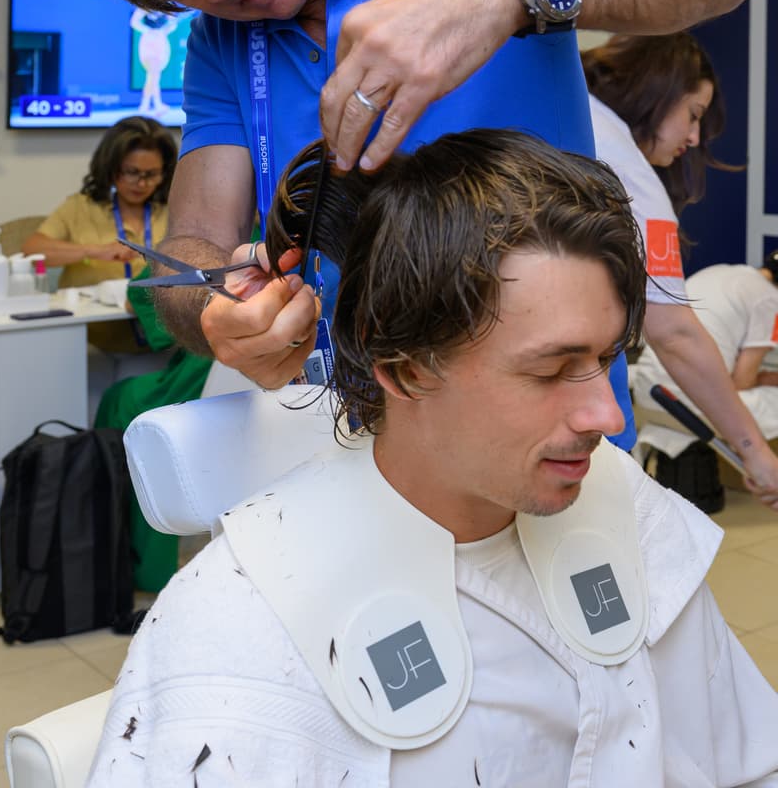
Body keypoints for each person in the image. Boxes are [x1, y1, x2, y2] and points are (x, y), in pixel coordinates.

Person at [47, 0, 765, 444]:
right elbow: (192, 242)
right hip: (361, 445)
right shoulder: (220, 43)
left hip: (553, 432)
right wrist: (217, 311)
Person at [85, 130, 778, 788]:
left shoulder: (620, 504)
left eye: (604, 360)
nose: (610, 416)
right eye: (550, 370)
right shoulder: (242, 617)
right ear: (406, 368)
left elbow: (745, 758)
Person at [582, 33, 778, 508]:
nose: (694, 138)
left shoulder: (571, 116)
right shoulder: (632, 177)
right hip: (589, 400)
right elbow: (677, 335)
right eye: (693, 114)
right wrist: (755, 452)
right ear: (658, 89)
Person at [94, 265, 213, 592]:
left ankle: (117, 554)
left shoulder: (218, 237)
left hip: (195, 386)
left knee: (121, 398)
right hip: (253, 391)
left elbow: (141, 292)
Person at [23, 115, 177, 352]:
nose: (142, 183)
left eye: (151, 174)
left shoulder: (173, 210)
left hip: (163, 338)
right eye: (132, 172)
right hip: (93, 339)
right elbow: (32, 251)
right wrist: (95, 251)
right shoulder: (81, 207)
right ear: (111, 167)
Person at [631, 253, 778, 444]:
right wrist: (764, 378)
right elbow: (742, 381)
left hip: (649, 391)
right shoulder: (770, 299)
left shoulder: (718, 270)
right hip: (694, 401)